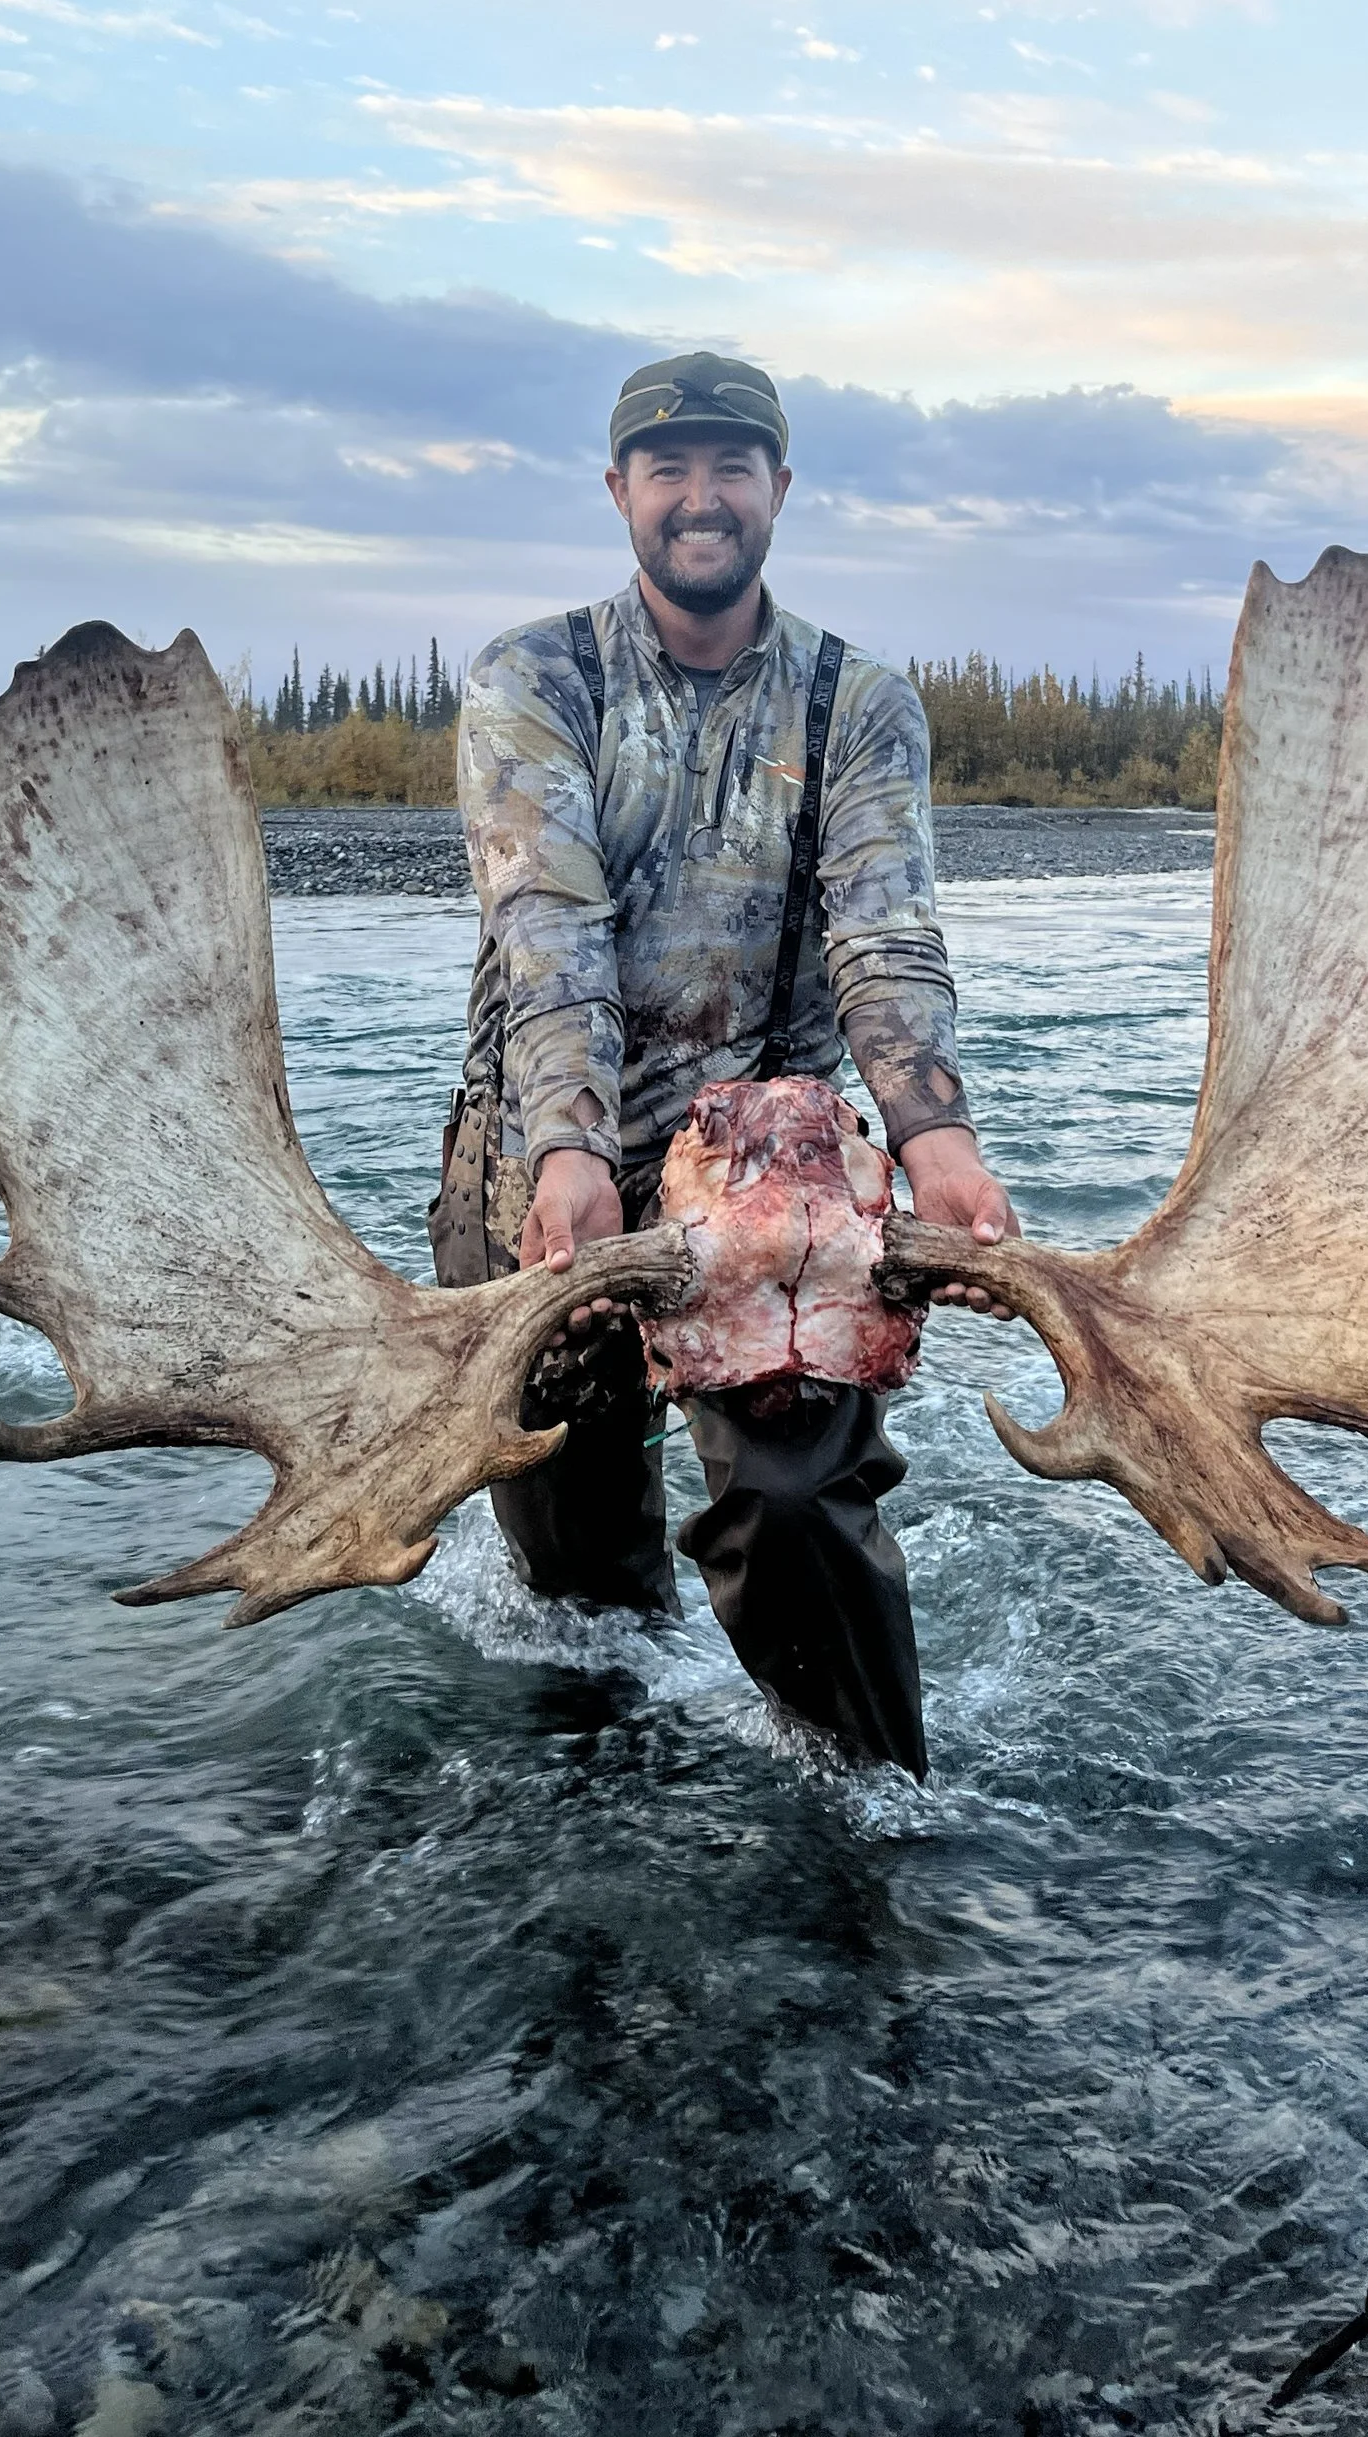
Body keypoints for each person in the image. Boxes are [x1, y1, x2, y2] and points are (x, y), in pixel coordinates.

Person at [429, 349, 1019, 1778]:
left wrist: (933, 1133)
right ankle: (605, 1825)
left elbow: (885, 933)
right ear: (621, 491)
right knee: (580, 1592)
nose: (702, 498)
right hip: (541, 1172)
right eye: (670, 469)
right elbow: (547, 932)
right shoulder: (533, 678)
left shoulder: (856, 704)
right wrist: (570, 1154)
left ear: (779, 490)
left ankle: (875, 1812)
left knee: (803, 1513)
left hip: (774, 1188)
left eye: (732, 467)